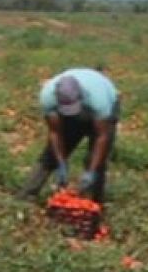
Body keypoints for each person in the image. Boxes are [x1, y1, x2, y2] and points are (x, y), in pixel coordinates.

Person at [18, 67, 120, 204]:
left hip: (104, 108)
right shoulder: (48, 97)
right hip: (75, 106)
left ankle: (94, 204)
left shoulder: (98, 99)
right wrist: (61, 162)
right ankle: (26, 196)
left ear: (81, 96)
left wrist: (91, 171)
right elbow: (55, 132)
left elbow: (102, 136)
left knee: (97, 161)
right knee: (50, 156)